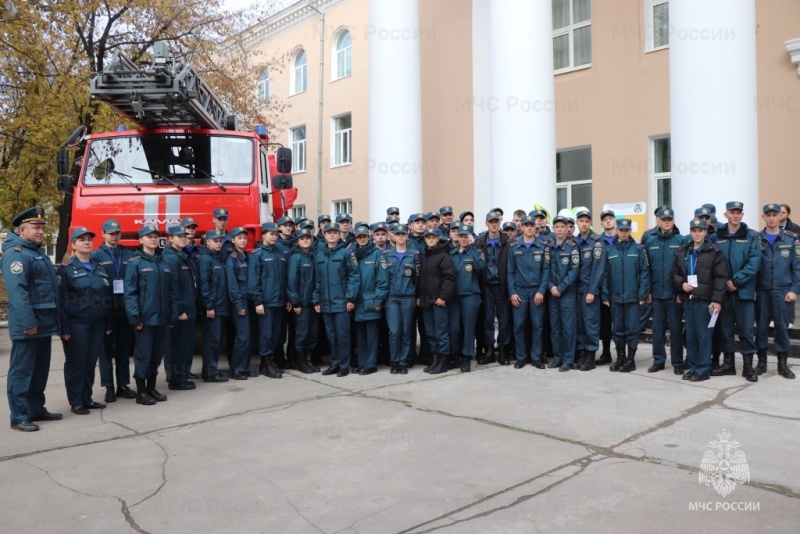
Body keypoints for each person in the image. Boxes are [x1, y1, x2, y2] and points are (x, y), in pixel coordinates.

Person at [2, 207, 63, 431]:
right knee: (22, 372)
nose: (40, 232)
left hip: (43, 323)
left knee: (39, 371)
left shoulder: (36, 253)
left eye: (42, 228)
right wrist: (29, 323)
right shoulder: (16, 254)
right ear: (22, 229)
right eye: (36, 228)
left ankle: (36, 409)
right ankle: (18, 416)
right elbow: (18, 293)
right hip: (29, 325)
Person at [58, 227, 112, 415]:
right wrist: (63, 327)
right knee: (76, 363)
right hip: (77, 323)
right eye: (81, 240)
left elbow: (108, 296)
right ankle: (76, 401)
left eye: (89, 239)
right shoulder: (66, 269)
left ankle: (86, 398)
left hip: (97, 323)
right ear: (73, 244)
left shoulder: (99, 266)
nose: (87, 242)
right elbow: (61, 302)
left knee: (90, 362)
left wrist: (108, 322)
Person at [124, 225, 179, 405]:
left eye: (155, 236)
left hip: (162, 319)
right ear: (141, 240)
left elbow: (172, 292)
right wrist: (134, 317)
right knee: (143, 356)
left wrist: (172, 314)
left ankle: (151, 387)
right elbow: (130, 293)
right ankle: (141, 391)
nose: (153, 239)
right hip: (144, 320)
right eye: (149, 236)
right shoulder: (135, 263)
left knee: (156, 356)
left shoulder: (164, 263)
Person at [709, 202, 761, 381]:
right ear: (726, 214)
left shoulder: (752, 237)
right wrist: (725, 283)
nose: (735, 216)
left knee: (746, 330)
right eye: (732, 212)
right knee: (725, 329)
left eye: (738, 213)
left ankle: (748, 366)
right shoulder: (717, 236)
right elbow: (712, 262)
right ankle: (728, 363)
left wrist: (737, 281)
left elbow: (754, 261)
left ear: (742, 215)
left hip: (743, 291)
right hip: (724, 292)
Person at [671, 218, 727, 382]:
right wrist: (681, 284)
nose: (697, 233)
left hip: (705, 301)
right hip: (689, 300)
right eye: (694, 230)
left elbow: (720, 277)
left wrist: (717, 300)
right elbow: (674, 274)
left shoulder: (714, 252)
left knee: (704, 336)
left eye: (700, 230)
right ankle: (694, 366)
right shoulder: (684, 251)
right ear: (690, 232)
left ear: (705, 232)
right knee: (691, 336)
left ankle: (703, 369)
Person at [92, 218, 136, 402]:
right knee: (105, 351)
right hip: (105, 308)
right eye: (111, 233)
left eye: (117, 233)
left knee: (124, 350)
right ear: (103, 234)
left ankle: (123, 385)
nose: (114, 236)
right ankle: (108, 386)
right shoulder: (96, 256)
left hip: (124, 308)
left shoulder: (128, 255)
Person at [755, 204, 800, 379]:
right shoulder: (756, 240)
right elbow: (753, 267)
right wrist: (753, 290)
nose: (772, 218)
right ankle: (762, 362)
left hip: (783, 292)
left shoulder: (791, 239)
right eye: (769, 215)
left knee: (782, 328)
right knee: (761, 329)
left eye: (775, 214)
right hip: (762, 291)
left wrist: (795, 290)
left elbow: (797, 268)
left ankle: (783, 364)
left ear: (780, 216)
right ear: (763, 217)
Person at [602, 219, 650, 373]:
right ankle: (620, 358)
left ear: (630, 231)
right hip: (615, 297)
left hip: (632, 297)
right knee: (618, 330)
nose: (623, 233)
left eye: (626, 230)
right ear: (617, 231)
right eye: (621, 230)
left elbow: (644, 272)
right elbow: (605, 275)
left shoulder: (638, 250)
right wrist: (605, 294)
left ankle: (631, 360)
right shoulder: (609, 251)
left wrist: (643, 293)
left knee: (632, 329)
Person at [314, 222, 360, 376]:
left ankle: (344, 365)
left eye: (335, 232)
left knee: (343, 336)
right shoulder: (319, 256)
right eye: (329, 233)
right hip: (326, 303)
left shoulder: (347, 254)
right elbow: (318, 280)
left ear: (339, 234)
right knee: (331, 336)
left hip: (341, 303)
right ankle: (334, 363)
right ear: (324, 235)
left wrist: (350, 299)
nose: (332, 235)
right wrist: (317, 300)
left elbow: (354, 276)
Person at [645, 207, 686, 374]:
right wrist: (647, 291)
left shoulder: (681, 240)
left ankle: (677, 362)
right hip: (656, 294)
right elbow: (645, 270)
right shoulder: (650, 241)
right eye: (664, 219)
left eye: (670, 219)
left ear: (674, 221)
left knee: (676, 329)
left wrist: (681, 293)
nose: (667, 221)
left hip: (673, 294)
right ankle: (659, 360)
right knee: (657, 330)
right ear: (658, 221)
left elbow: (684, 269)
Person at [507, 215, 549, 369]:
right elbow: (510, 272)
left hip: (536, 291)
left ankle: (536, 357)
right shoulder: (514, 247)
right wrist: (512, 292)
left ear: (535, 227)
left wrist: (541, 291)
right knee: (519, 326)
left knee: (537, 326)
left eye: (532, 225)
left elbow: (546, 271)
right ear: (522, 227)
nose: (530, 228)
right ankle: (520, 357)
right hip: (520, 292)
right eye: (526, 225)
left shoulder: (542, 246)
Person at [249, 222, 290, 379]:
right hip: (265, 303)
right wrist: (258, 301)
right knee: (266, 334)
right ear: (264, 235)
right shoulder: (257, 254)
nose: (274, 236)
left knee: (276, 334)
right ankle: (266, 363)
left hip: (279, 302)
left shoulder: (280, 254)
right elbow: (254, 280)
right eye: (271, 234)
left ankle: (269, 362)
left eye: (275, 234)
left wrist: (286, 298)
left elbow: (284, 279)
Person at [162, 225, 198, 390]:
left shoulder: (182, 256)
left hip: (189, 308)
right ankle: (177, 380)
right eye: (179, 236)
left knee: (185, 345)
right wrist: (180, 310)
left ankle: (181, 376)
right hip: (181, 311)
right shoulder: (172, 258)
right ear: (170, 238)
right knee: (177, 347)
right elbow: (174, 287)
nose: (183, 238)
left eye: (184, 236)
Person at [417, 228, 455, 375]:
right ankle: (435, 359)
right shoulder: (424, 255)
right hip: (426, 301)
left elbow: (449, 278)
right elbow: (421, 279)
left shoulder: (443, 256)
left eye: (433, 237)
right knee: (430, 333)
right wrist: (420, 296)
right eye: (428, 237)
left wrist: (443, 297)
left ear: (438, 239)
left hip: (439, 301)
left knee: (441, 332)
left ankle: (443, 361)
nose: (431, 240)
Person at [475, 210, 511, 365]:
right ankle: (489, 350)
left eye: (496, 221)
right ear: (486, 224)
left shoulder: (507, 242)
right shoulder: (480, 242)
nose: (494, 224)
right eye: (491, 222)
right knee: (488, 320)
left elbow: (511, 267)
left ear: (500, 222)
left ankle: (503, 350)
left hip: (502, 287)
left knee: (504, 320)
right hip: (487, 286)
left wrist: (510, 290)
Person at [384, 224, 420, 374]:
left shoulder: (414, 255)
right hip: (391, 298)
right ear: (393, 236)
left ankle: (403, 362)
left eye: (403, 234)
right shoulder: (386, 255)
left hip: (407, 297)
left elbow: (417, 279)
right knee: (394, 331)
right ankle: (394, 361)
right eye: (397, 234)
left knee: (406, 330)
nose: (400, 236)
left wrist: (416, 295)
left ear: (407, 236)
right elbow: (383, 278)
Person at [353, 226, 389, 374]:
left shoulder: (377, 255)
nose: (362, 239)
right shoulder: (352, 254)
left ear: (369, 237)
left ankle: (371, 364)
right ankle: (362, 363)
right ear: (356, 238)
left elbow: (383, 281)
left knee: (372, 335)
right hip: (357, 301)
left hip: (371, 301)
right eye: (359, 237)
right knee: (360, 336)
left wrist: (378, 300)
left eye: (364, 236)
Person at [449, 224, 485, 373]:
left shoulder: (475, 252)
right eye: (461, 236)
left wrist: (471, 247)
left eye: (466, 236)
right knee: (454, 328)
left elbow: (480, 266)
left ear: (471, 237)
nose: (463, 239)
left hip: (470, 295)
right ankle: (455, 354)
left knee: (469, 328)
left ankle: (466, 357)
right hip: (454, 297)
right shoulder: (452, 253)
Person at [197, 230, 231, 383]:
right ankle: (210, 373)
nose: (218, 243)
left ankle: (212, 370)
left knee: (217, 341)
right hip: (213, 308)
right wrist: (209, 306)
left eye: (220, 241)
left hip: (221, 306)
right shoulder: (205, 259)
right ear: (207, 242)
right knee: (212, 340)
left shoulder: (217, 258)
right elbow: (204, 284)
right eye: (215, 241)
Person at [547, 216, 580, 371]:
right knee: (555, 328)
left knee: (568, 328)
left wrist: (560, 288)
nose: (560, 230)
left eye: (562, 227)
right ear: (553, 228)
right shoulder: (549, 247)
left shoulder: (572, 247)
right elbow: (545, 270)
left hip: (567, 294)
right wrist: (551, 287)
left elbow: (574, 271)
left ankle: (568, 359)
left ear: (568, 229)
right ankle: (558, 358)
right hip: (552, 293)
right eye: (557, 227)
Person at [574, 209, 605, 371]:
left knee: (591, 324)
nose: (584, 224)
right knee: (579, 324)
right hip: (576, 291)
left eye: (587, 221)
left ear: (590, 223)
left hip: (588, 290)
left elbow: (598, 269)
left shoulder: (596, 242)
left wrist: (592, 291)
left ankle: (591, 355)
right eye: (581, 221)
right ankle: (581, 353)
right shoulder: (574, 241)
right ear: (577, 223)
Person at [225, 226, 256, 380]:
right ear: (233, 240)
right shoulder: (232, 259)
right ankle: (236, 369)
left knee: (249, 336)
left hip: (249, 301)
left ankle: (244, 367)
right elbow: (232, 285)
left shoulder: (247, 256)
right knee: (242, 336)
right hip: (240, 303)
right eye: (239, 238)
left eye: (244, 238)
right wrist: (238, 305)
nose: (243, 240)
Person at [287, 228, 319, 374]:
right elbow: (292, 282)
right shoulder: (296, 258)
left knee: (312, 333)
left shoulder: (313, 256)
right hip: (302, 304)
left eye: (308, 238)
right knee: (302, 334)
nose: (305, 240)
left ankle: (308, 361)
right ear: (298, 241)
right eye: (302, 238)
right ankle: (301, 362)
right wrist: (296, 302)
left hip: (312, 303)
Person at [595, 210, 617, 365]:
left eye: (610, 219)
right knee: (605, 323)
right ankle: (606, 352)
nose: (608, 221)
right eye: (605, 219)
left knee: (622, 323)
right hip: (604, 288)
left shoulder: (622, 238)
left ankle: (624, 355)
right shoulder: (598, 242)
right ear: (601, 224)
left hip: (620, 287)